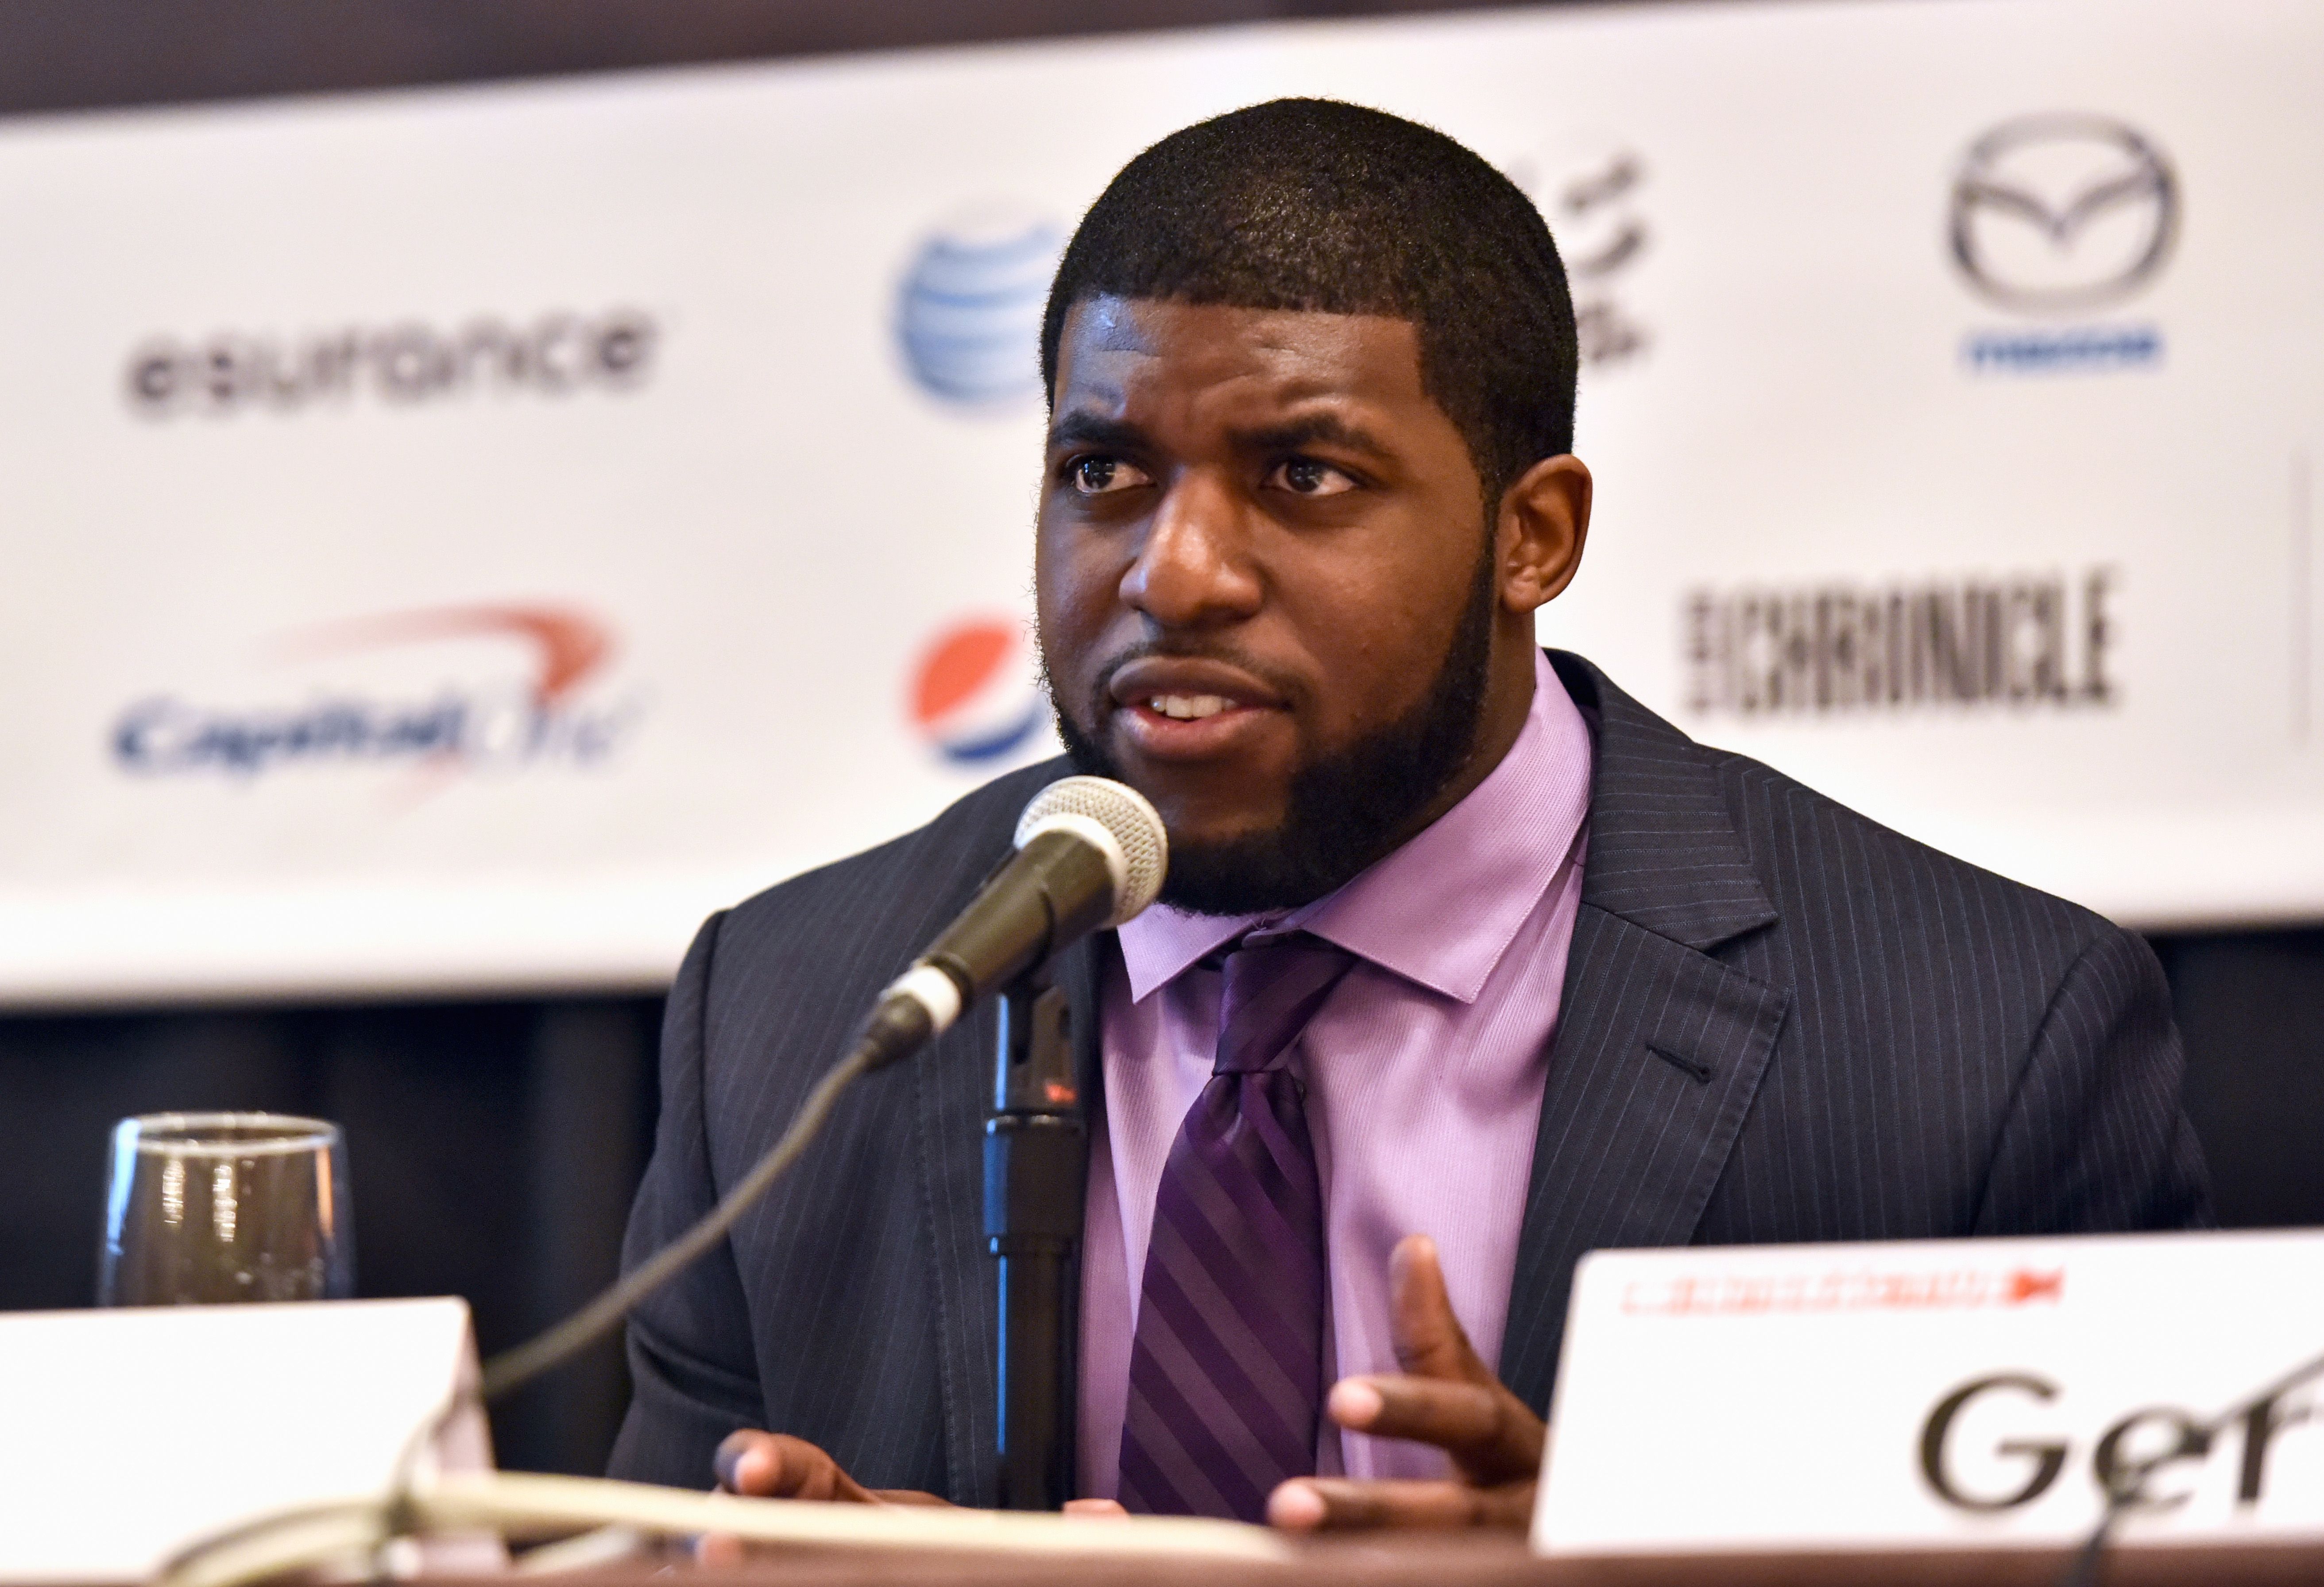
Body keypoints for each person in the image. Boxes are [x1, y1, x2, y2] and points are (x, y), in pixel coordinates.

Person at [606, 98, 2210, 1531]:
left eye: (1302, 473)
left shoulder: (1979, 1037)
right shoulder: (796, 1014)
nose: (1174, 572)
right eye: (1104, 471)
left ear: (1532, 535)